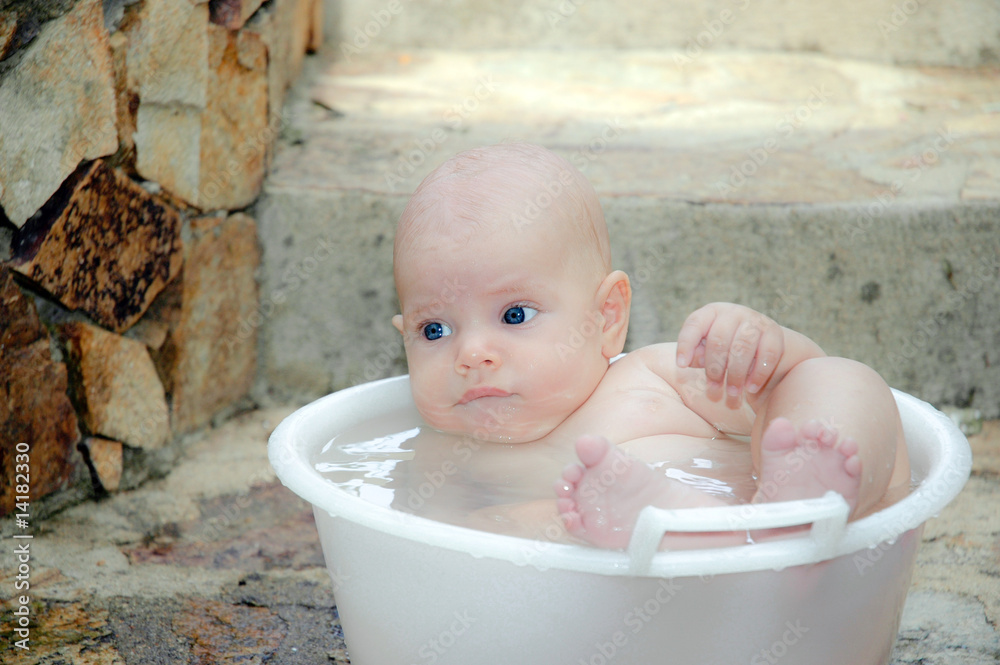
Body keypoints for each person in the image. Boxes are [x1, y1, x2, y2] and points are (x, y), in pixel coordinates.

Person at [390, 142, 910, 549]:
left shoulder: (657, 379)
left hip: (773, 528)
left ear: (607, 317)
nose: (472, 354)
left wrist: (756, 350)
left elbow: (784, 389)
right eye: (434, 330)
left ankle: (808, 501)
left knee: (842, 380)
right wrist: (547, 522)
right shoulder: (439, 455)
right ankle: (676, 529)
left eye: (514, 315)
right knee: (498, 528)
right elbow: (439, 557)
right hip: (675, 598)